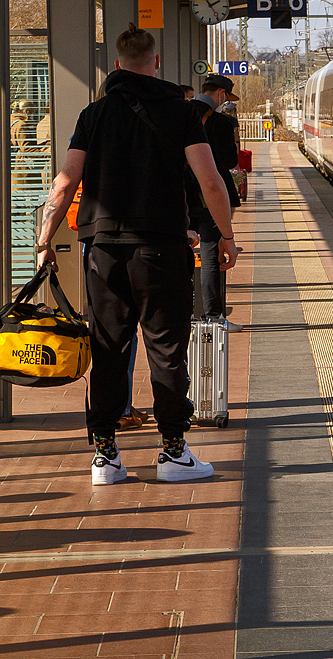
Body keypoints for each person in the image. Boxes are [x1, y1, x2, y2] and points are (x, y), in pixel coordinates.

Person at [36, 24, 238, 486]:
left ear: (116, 66)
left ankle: (105, 457)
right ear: (157, 63)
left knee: (108, 349)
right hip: (162, 250)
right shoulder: (182, 113)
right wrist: (225, 236)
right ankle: (173, 452)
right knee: (167, 351)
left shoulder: (94, 113)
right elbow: (211, 181)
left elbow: (65, 181)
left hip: (102, 251)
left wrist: (45, 239)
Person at [189, 75, 243, 331]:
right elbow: (229, 161)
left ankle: (184, 315)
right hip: (209, 199)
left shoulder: (179, 114)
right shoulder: (221, 122)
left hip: (180, 198)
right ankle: (212, 316)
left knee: (180, 256)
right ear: (221, 94)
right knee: (211, 256)